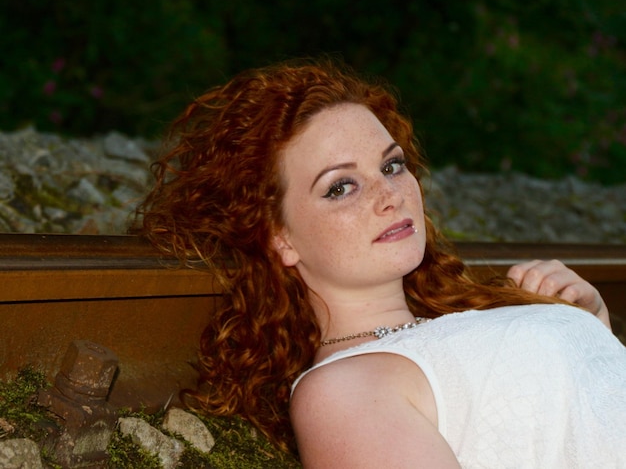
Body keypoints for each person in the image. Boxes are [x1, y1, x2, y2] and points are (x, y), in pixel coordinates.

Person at [134, 58, 626, 467]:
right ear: (279, 237)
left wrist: (590, 323)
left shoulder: (451, 324)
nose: (389, 194)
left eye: (391, 166)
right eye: (341, 186)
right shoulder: (340, 395)